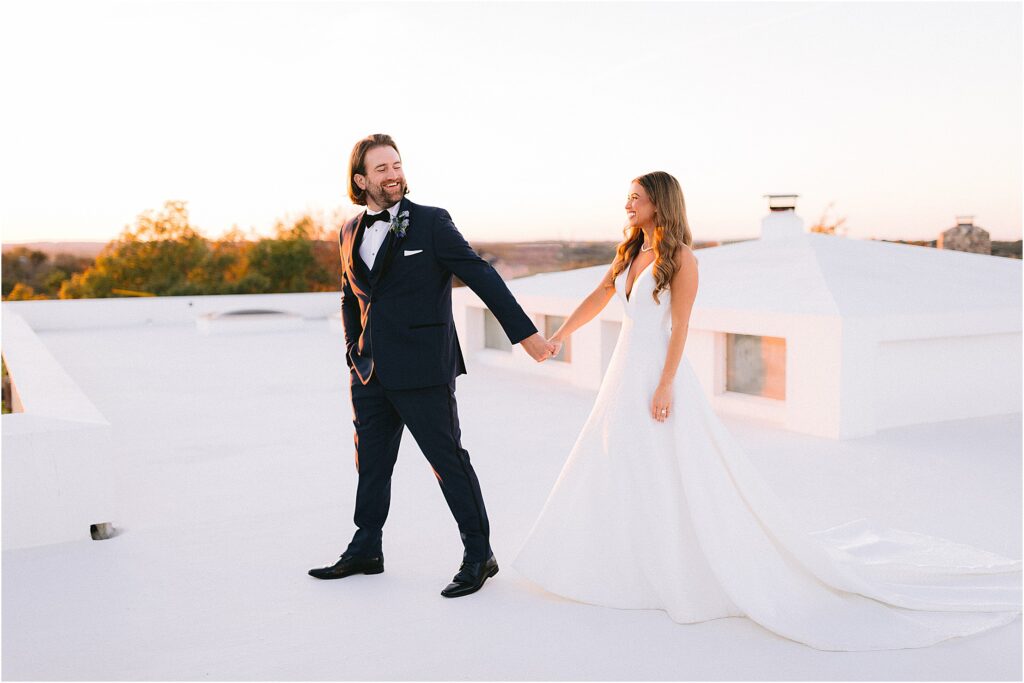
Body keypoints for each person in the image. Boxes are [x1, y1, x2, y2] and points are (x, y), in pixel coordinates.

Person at [512, 171, 1022, 650]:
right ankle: (622, 557)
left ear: (659, 203)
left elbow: (681, 327)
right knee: (619, 457)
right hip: (623, 372)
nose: (627, 204)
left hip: (656, 375)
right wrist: (559, 335)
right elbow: (600, 296)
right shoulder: (629, 252)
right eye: (628, 197)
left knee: (671, 464)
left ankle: (677, 562)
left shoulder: (682, 258)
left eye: (636, 197)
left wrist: (666, 384)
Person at [309, 133, 556, 597]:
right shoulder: (348, 231)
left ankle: (479, 554)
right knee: (372, 465)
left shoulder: (431, 223)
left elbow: (481, 273)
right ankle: (367, 546)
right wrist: (351, 347)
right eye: (381, 169)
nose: (393, 175)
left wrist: (526, 335)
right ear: (360, 180)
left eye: (396, 165)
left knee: (448, 462)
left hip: (424, 370)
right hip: (368, 372)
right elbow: (349, 295)